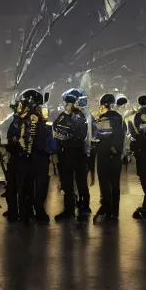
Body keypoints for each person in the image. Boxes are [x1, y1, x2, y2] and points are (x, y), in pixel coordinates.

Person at [5, 89, 53, 223]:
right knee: (24, 186)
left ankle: (32, 211)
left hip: (35, 158)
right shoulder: (19, 120)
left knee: (34, 186)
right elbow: (10, 135)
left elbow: (42, 140)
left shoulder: (36, 120)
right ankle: (24, 211)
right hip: (24, 158)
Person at [53, 89, 90, 222]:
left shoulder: (79, 116)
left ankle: (84, 206)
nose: (66, 105)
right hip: (65, 153)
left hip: (76, 153)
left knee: (80, 181)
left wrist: (65, 136)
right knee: (67, 183)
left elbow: (77, 135)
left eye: (69, 103)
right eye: (66, 103)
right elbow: (55, 127)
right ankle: (70, 209)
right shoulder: (64, 115)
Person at [92, 94, 128, 223]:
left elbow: (97, 136)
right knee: (115, 184)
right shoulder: (120, 118)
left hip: (104, 154)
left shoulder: (102, 118)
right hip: (116, 156)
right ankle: (115, 212)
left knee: (104, 183)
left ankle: (107, 209)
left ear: (103, 105)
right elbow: (123, 134)